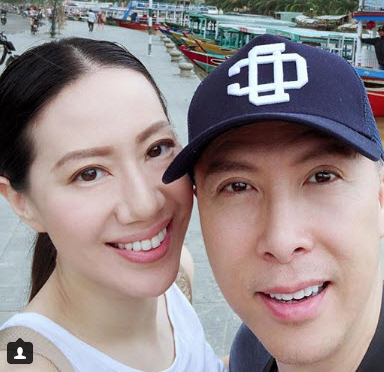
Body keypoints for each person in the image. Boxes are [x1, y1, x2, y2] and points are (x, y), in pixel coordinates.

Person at [163, 34, 384, 372]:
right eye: (238, 187)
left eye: (322, 177)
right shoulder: (254, 344)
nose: (282, 242)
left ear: (380, 199)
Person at [0, 38, 226, 372]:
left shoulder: (179, 275)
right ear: (22, 203)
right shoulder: (24, 361)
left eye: (156, 149)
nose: (145, 205)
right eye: (88, 173)